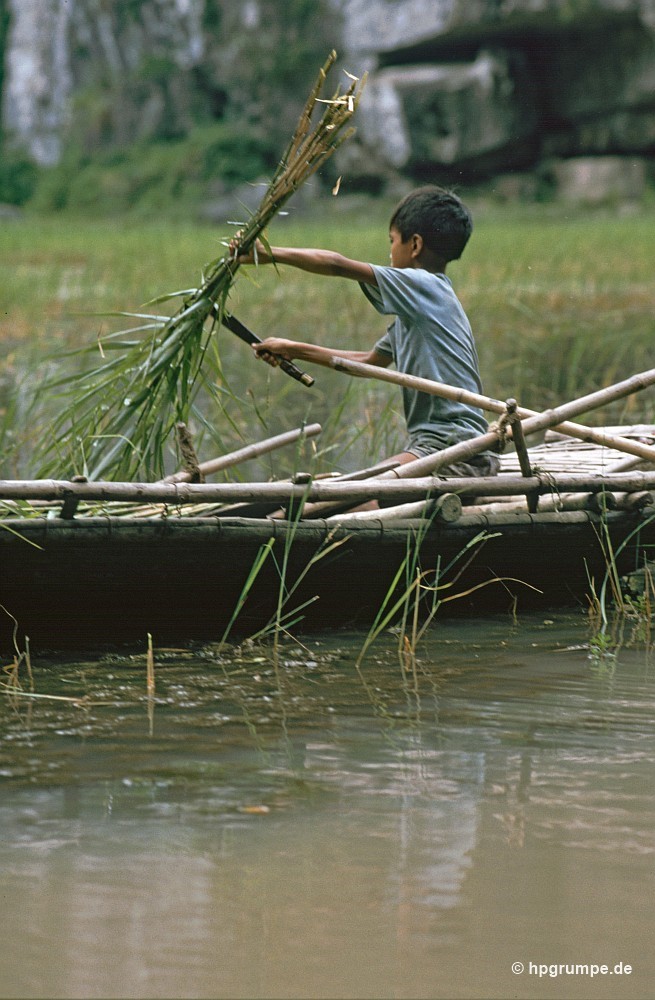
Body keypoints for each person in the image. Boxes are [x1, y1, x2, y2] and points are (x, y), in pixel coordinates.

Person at [232, 185, 499, 478]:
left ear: (415, 245)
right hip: (442, 446)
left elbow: (336, 265)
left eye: (392, 241)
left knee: (360, 493)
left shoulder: (424, 285)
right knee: (350, 491)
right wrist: (293, 350)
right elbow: (369, 362)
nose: (390, 251)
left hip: (455, 448)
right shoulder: (418, 313)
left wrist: (268, 254)